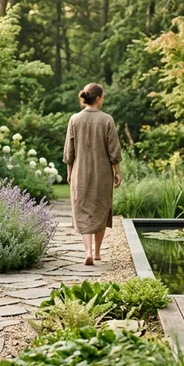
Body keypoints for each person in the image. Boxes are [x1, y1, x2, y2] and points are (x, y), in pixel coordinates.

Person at [63, 83, 122, 266]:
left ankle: (87, 251)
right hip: (102, 173)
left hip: (80, 172)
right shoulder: (107, 120)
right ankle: (97, 252)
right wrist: (117, 172)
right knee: (100, 210)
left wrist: (69, 173)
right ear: (98, 98)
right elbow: (114, 150)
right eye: (102, 97)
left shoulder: (74, 119)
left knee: (82, 209)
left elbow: (69, 152)